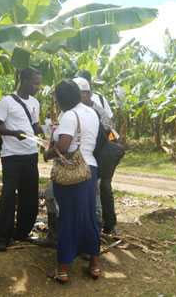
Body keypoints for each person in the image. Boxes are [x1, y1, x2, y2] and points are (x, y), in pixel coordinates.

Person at [43, 80, 101, 283]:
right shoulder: (91, 112)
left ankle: (63, 269)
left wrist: (47, 152)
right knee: (88, 216)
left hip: (73, 172)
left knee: (67, 217)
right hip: (90, 169)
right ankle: (94, 265)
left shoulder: (68, 115)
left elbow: (65, 147)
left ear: (60, 98)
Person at [0, 67, 42, 252]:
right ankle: (1, 237)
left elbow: (35, 126)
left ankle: (22, 232)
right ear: (25, 80)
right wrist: (14, 133)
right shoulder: (7, 101)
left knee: (29, 195)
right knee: (8, 195)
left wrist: (44, 132)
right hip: (11, 156)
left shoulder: (35, 103)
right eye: (35, 83)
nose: (38, 87)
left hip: (31, 154)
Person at [73, 77, 119, 235]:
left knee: (102, 187)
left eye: (82, 94)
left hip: (100, 154)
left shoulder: (97, 107)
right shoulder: (72, 109)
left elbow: (108, 126)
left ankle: (107, 224)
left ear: (88, 93)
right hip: (84, 156)